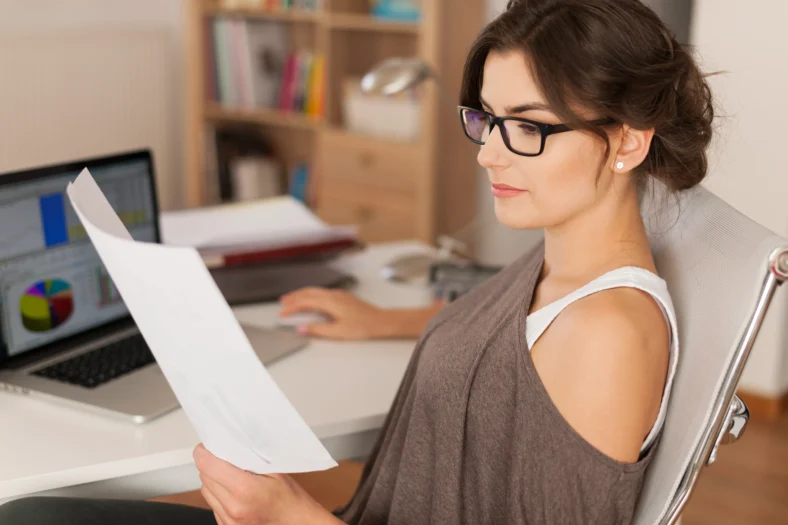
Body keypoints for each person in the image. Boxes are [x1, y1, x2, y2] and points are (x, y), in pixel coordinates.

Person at [0, 0, 714, 523]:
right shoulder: (565, 253)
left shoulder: (611, 333)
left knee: (30, 516)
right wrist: (388, 318)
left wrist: (287, 514)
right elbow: (521, 346)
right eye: (487, 120)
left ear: (626, 142)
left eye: (529, 127)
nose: (490, 152)